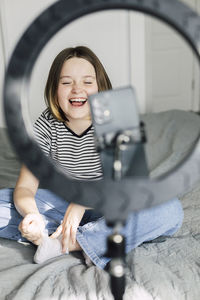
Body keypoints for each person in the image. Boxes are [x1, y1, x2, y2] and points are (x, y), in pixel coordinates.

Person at [0, 46, 183, 269]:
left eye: (87, 82)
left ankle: (63, 243)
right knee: (5, 201)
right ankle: (64, 234)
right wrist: (32, 216)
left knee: (170, 209)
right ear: (54, 89)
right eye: (66, 83)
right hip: (58, 207)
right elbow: (25, 188)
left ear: (100, 87)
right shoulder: (47, 122)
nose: (77, 90)